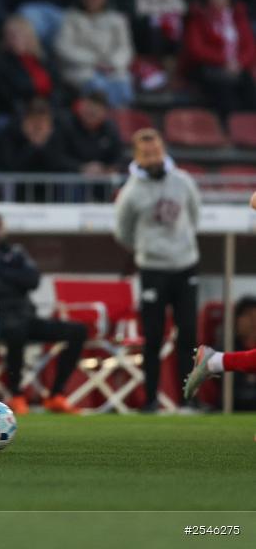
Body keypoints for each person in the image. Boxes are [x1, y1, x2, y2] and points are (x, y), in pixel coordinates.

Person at [0, 210, 85, 415]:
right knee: (15, 330)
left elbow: (33, 279)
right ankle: (15, 393)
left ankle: (56, 394)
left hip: (24, 316)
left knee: (77, 331)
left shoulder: (15, 251)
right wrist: (15, 280)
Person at [114, 128, 200, 412]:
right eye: (146, 154)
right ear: (137, 156)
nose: (153, 158)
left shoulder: (183, 181)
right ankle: (151, 399)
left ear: (163, 150)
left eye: (156, 151)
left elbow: (194, 214)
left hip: (185, 266)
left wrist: (181, 245)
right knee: (152, 337)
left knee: (187, 334)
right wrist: (147, 249)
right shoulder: (130, 193)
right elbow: (122, 232)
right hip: (153, 269)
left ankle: (188, 400)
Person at [182, 0, 256, 120]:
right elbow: (196, 49)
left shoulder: (238, 17)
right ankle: (229, 132)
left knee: (250, 91)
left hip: (237, 68)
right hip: (209, 68)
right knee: (226, 94)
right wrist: (223, 61)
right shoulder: (199, 17)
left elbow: (250, 47)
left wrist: (239, 63)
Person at [55, 0, 134, 107]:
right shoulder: (70, 18)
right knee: (98, 86)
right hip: (82, 69)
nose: (94, 0)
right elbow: (62, 47)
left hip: (111, 68)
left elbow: (125, 48)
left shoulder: (117, 19)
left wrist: (112, 63)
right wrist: (94, 61)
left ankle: (120, 120)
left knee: (123, 85)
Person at [185, 298, 256, 400]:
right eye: (249, 316)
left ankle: (214, 360)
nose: (253, 321)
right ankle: (214, 360)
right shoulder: (230, 345)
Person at [0, 15, 59, 116]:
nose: (16, 39)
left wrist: (50, 105)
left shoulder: (43, 57)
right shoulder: (2, 62)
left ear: (29, 36)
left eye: (20, 35)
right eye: (11, 35)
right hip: (21, 113)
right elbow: (9, 97)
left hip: (50, 109)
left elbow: (57, 86)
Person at [65, 91, 123, 175]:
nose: (90, 113)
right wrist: (81, 167)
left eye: (94, 112)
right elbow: (57, 157)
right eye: (88, 108)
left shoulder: (110, 129)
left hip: (100, 182)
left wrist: (108, 168)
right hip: (68, 181)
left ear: (104, 112)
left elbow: (118, 156)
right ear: (81, 107)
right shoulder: (66, 124)